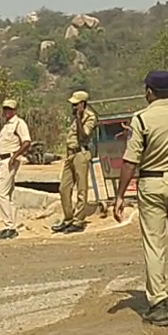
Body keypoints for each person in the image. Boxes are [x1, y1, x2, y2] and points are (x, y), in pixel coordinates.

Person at [114, 71, 168, 326]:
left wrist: (120, 195)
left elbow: (130, 161)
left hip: (151, 182)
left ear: (149, 91)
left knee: (154, 244)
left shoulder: (141, 119)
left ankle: (158, 304)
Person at [55, 91, 98, 234]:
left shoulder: (89, 117)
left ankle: (79, 220)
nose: (73, 107)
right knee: (64, 188)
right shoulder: (75, 118)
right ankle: (68, 218)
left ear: (82, 104)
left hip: (81, 153)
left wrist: (80, 118)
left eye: (75, 105)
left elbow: (84, 135)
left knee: (82, 188)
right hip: (70, 154)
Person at [0, 98, 32, 240]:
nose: (6, 111)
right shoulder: (6, 126)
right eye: (5, 109)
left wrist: (14, 156)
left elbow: (26, 141)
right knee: (8, 194)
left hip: (9, 159)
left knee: (1, 194)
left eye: (9, 109)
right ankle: (11, 225)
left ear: (14, 110)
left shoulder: (18, 123)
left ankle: (9, 225)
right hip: (3, 160)